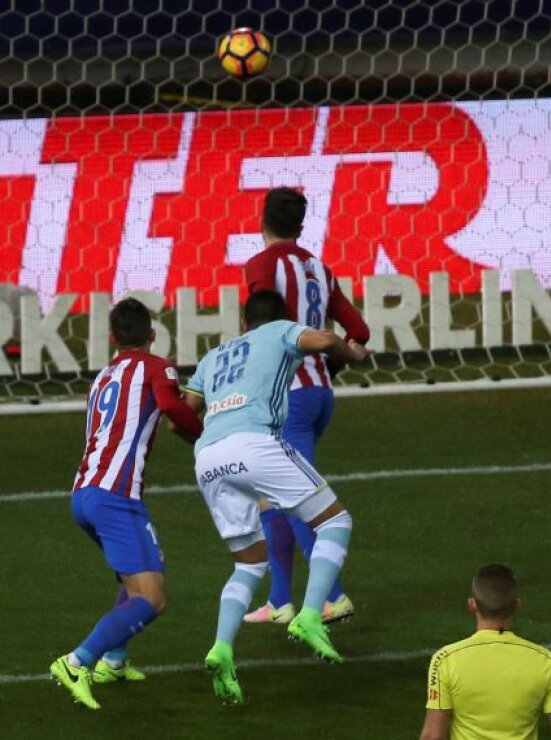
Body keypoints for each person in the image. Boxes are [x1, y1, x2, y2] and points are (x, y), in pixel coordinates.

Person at [183, 290, 370, 704]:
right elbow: (320, 340)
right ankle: (309, 614)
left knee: (248, 564)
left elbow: (187, 408)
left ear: (243, 323)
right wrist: (351, 353)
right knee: (335, 521)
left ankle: (222, 648)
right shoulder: (280, 331)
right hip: (255, 444)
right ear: (278, 319)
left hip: (209, 458)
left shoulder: (214, 355)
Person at [49, 298, 204, 710]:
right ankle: (77, 661)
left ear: (111, 338)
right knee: (152, 597)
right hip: (116, 498)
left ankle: (114, 660)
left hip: (83, 494)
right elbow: (172, 408)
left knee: (134, 579)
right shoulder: (156, 366)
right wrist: (202, 436)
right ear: (152, 335)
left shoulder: (100, 379)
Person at [241, 186, 371, 626]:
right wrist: (329, 369)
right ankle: (279, 600)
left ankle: (332, 595)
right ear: (300, 226)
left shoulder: (261, 265)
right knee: (268, 497)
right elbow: (359, 330)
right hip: (318, 396)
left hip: (285, 402)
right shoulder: (319, 268)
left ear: (262, 221)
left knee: (296, 500)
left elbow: (263, 321)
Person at [420, 564, 551, 740]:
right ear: (516, 605)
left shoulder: (446, 659)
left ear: (472, 604)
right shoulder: (545, 661)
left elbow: (433, 736)